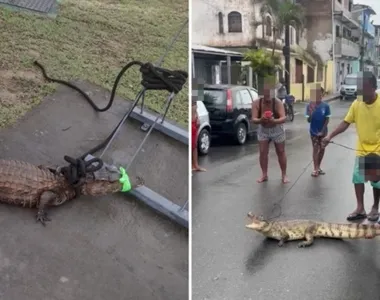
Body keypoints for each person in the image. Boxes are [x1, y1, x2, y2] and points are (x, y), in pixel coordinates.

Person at [322, 71, 380, 222]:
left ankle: (375, 207)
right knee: (358, 178)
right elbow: (346, 122)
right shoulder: (357, 104)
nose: (361, 92)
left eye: (364, 88)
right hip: (361, 148)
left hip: (377, 149)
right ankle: (360, 208)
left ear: (374, 88)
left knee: (376, 181)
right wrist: (329, 136)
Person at [252, 76, 289, 184]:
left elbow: (283, 118)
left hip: (277, 129)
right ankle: (264, 174)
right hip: (263, 129)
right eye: (266, 93)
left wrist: (274, 121)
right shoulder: (256, 103)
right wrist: (261, 119)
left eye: (270, 93)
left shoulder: (277, 102)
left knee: (281, 151)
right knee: (263, 152)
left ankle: (284, 174)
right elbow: (254, 119)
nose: (268, 96)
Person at [305, 83, 331, 177]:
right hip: (313, 132)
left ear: (322, 94)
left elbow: (327, 119)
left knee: (322, 148)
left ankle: (318, 166)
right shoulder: (309, 106)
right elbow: (308, 120)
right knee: (315, 148)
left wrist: (322, 131)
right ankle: (315, 169)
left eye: (319, 93)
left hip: (323, 131)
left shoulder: (326, 106)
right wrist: (311, 113)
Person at [192, 99, 206, 173]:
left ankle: (195, 165)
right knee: (192, 145)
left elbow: (196, 108)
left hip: (194, 122)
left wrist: (197, 118)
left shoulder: (194, 98)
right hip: (191, 123)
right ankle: (193, 165)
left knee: (194, 145)